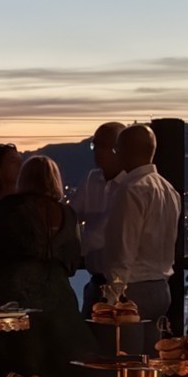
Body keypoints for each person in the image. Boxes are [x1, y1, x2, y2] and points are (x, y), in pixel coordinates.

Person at [0, 155, 97, 377]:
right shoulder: (68, 214)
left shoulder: (10, 207)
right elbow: (72, 262)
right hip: (58, 300)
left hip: (14, 298)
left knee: (15, 372)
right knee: (62, 371)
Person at [103, 124, 182, 354]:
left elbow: (122, 250)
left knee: (125, 361)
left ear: (126, 151)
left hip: (133, 291)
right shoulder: (169, 190)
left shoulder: (130, 190)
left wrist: (112, 299)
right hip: (161, 288)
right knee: (151, 362)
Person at [70, 122, 125, 317]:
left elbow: (102, 232)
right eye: (95, 146)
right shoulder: (92, 179)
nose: (98, 152)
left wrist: (78, 249)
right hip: (96, 279)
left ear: (120, 149)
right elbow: (71, 215)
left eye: (103, 146)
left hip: (123, 284)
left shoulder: (132, 186)